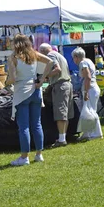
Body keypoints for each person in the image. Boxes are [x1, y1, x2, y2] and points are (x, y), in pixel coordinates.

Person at [6, 34, 53, 166]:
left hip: (22, 92)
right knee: (37, 124)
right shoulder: (34, 54)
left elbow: (13, 78)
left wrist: (5, 82)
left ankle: (24, 157)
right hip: (35, 90)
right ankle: (39, 154)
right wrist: (42, 79)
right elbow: (50, 61)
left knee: (24, 127)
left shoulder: (13, 57)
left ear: (16, 44)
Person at [38, 43, 74, 148]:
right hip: (67, 84)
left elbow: (57, 69)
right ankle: (63, 137)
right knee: (65, 113)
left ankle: (62, 139)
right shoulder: (60, 55)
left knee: (60, 112)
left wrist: (45, 76)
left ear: (43, 52)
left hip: (60, 85)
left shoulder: (50, 56)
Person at [71, 47, 103, 141]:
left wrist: (85, 92)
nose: (73, 60)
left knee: (91, 112)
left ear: (76, 57)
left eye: (73, 58)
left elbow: (88, 77)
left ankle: (97, 133)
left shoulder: (83, 63)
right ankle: (87, 133)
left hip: (90, 89)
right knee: (88, 111)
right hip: (93, 88)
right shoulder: (89, 60)